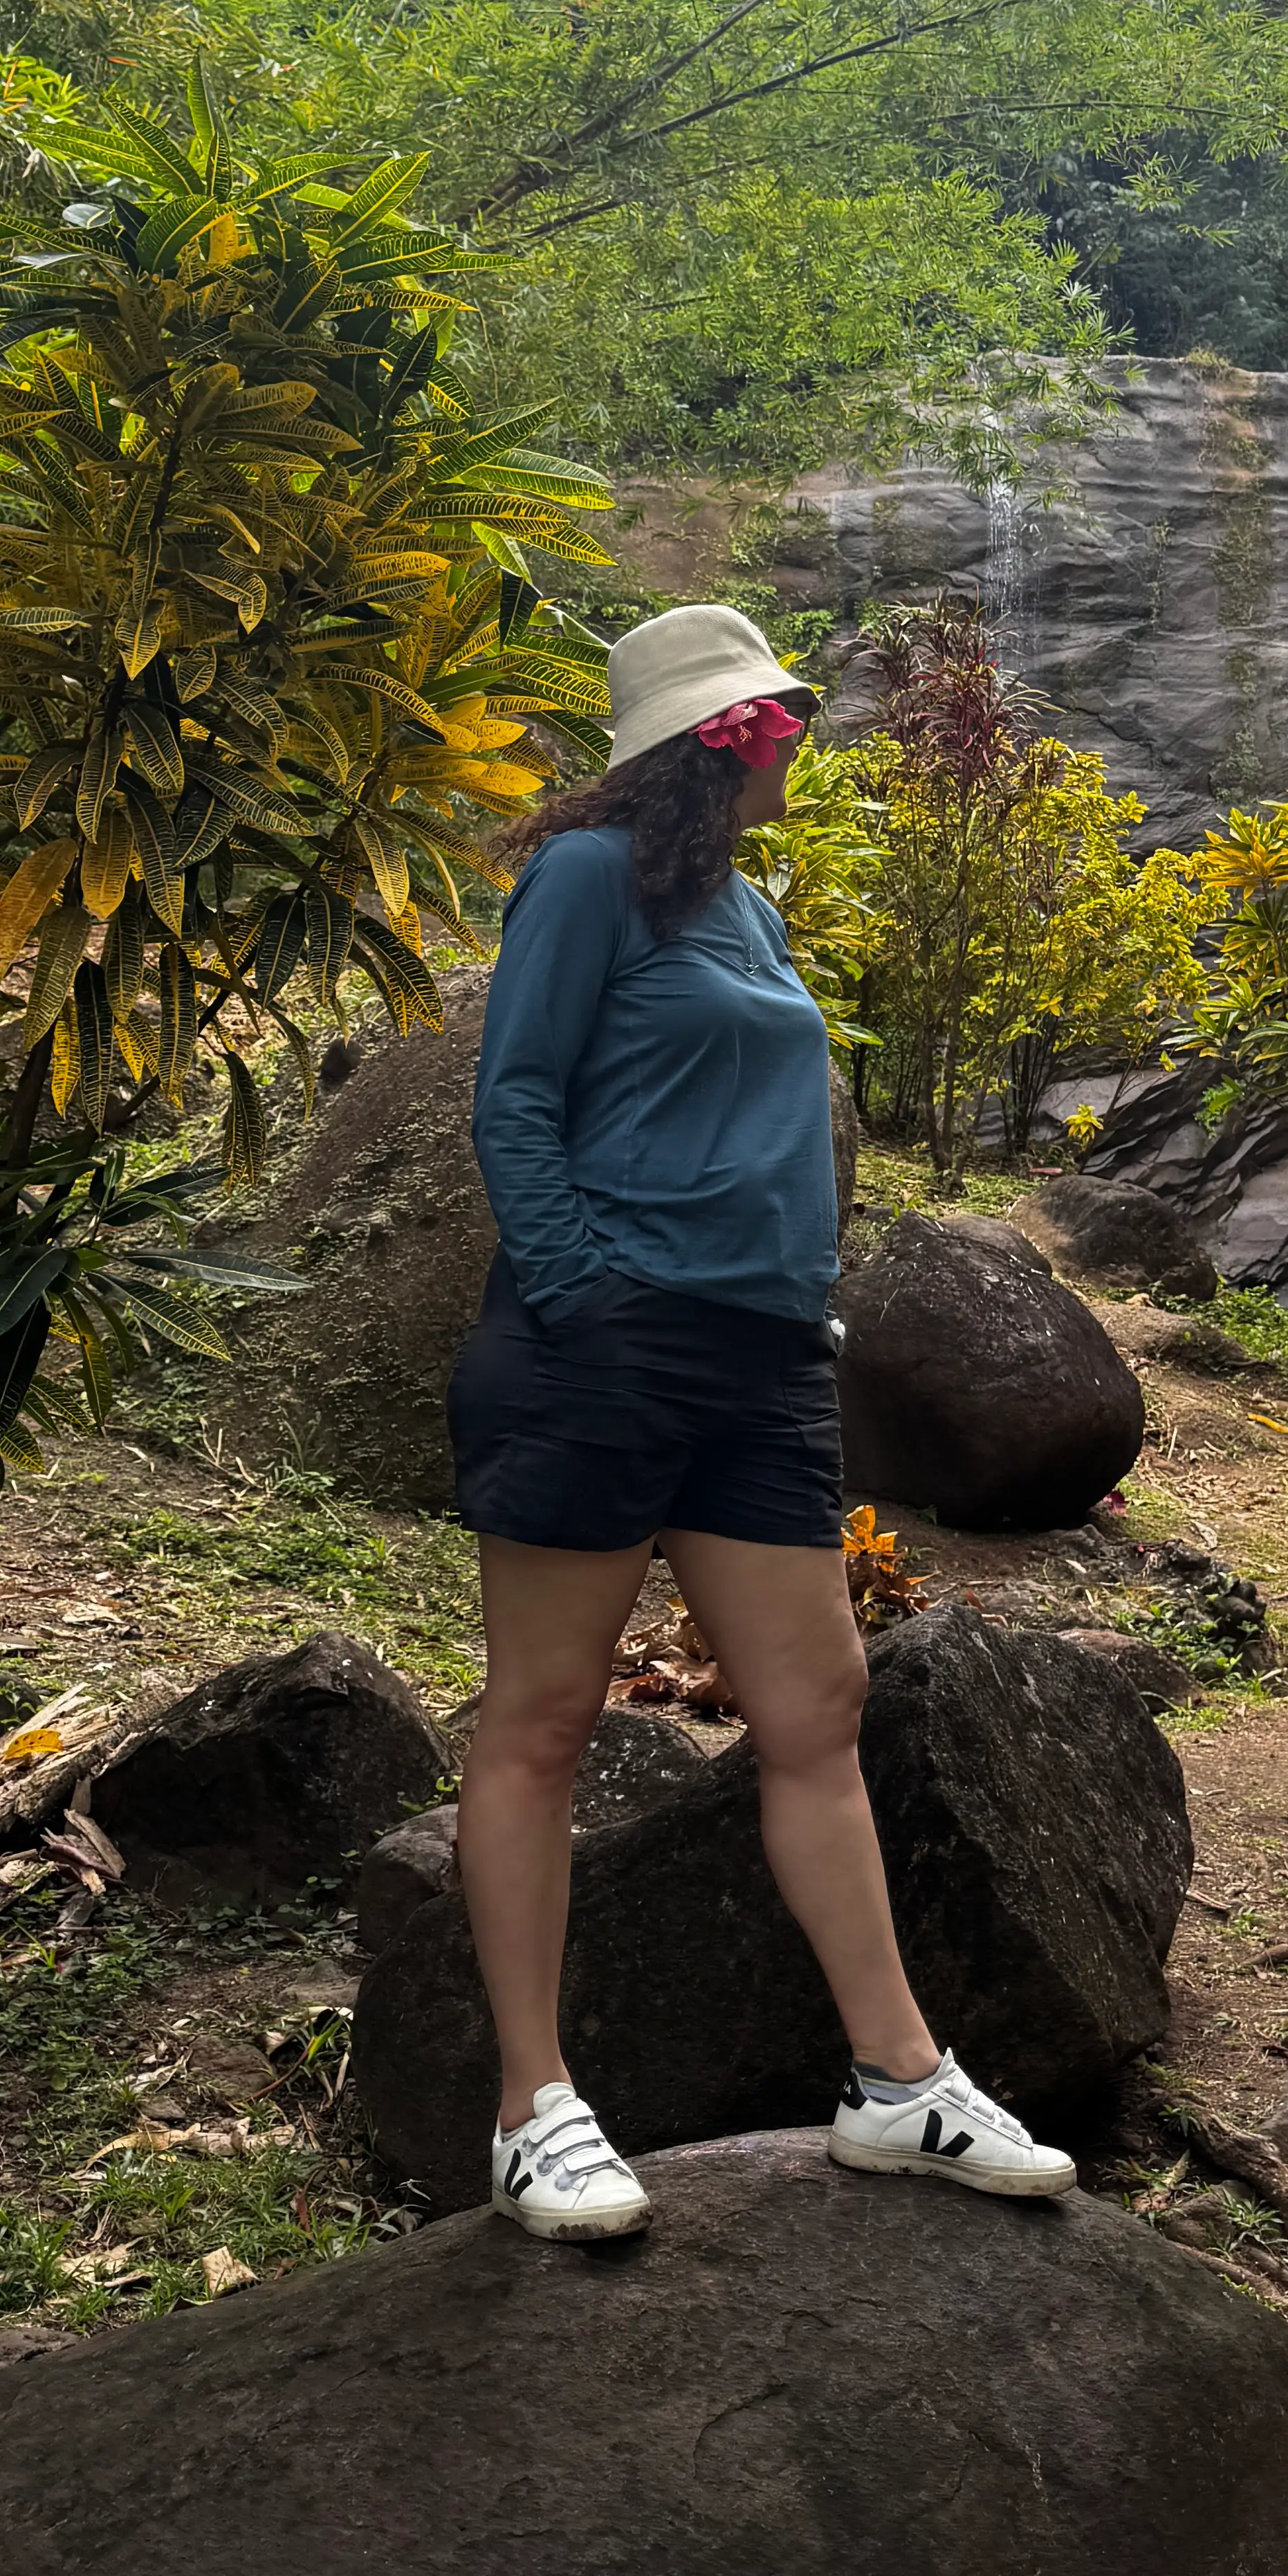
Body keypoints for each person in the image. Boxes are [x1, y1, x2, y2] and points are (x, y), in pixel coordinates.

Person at [447, 599, 1076, 2240]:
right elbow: (513, 1096)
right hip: (607, 1348)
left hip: (762, 1357)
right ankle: (534, 2107)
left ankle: (896, 2082)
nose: (797, 735)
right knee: (546, 1715)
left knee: (814, 1706)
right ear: (707, 743)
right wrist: (590, 1296)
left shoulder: (758, 909)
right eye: (772, 717)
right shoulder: (586, 880)